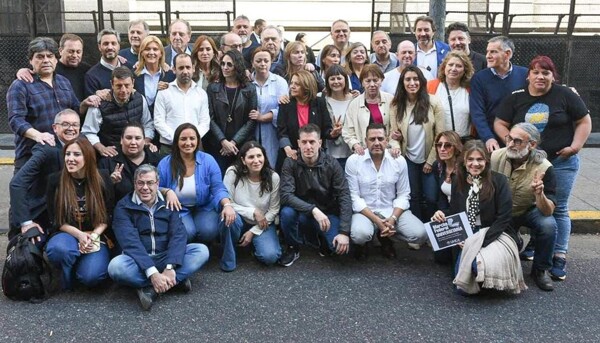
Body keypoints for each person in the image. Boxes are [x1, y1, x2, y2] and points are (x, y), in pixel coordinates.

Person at [494, 55, 592, 281]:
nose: (540, 76)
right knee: (530, 203)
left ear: (552, 76)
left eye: (546, 73)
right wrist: (512, 141)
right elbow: (500, 122)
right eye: (536, 72)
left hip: (560, 161)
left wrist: (575, 147)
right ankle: (536, 246)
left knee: (557, 207)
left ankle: (558, 256)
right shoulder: (516, 97)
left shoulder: (565, 95)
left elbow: (584, 121)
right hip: (526, 162)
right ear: (528, 75)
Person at [109, 164, 209, 311]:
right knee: (116, 267)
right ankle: (173, 281)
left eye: (150, 183)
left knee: (201, 250)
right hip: (138, 260)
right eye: (140, 183)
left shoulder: (169, 203)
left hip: (165, 257)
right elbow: (130, 243)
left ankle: (151, 288)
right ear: (134, 184)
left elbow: (178, 235)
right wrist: (152, 272)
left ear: (158, 183)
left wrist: (170, 266)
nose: (145, 187)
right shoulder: (123, 206)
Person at [431, 140, 526, 295]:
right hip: (468, 231)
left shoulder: (499, 181)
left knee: (476, 267)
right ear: (464, 161)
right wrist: (442, 214)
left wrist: (479, 242)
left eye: (479, 159)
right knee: (462, 288)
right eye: (470, 159)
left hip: (493, 232)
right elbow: (455, 211)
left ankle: (488, 276)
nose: (475, 164)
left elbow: (504, 217)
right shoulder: (458, 181)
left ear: (486, 161)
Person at [156, 124, 237, 271]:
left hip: (204, 206)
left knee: (209, 230)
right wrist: (167, 191)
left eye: (192, 138)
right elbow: (154, 188)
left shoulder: (208, 160)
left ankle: (209, 248)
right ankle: (184, 256)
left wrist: (227, 205)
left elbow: (217, 187)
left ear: (198, 140)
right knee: (187, 232)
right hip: (179, 209)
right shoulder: (166, 163)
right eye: (183, 139)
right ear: (176, 141)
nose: (188, 143)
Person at [490, 123, 558, 291]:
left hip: (527, 210)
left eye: (517, 141)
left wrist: (539, 194)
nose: (511, 144)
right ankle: (515, 239)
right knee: (506, 250)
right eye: (509, 138)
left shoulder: (545, 168)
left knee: (548, 225)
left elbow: (548, 211)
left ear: (532, 145)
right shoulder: (494, 157)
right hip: (501, 212)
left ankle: (540, 270)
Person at [346, 123, 427, 259]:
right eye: (372, 139)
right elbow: (354, 197)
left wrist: (393, 219)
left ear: (387, 140)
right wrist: (377, 220)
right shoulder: (354, 161)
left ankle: (386, 238)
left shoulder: (398, 161)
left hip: (391, 210)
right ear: (365, 141)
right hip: (365, 212)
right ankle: (364, 243)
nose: (377, 143)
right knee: (360, 235)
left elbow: (403, 194)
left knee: (419, 234)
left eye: (380, 138)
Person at [45, 137, 115, 290]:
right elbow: (55, 219)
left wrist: (92, 236)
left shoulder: (103, 178)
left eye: (76, 154)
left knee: (91, 276)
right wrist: (79, 236)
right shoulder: (55, 180)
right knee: (59, 250)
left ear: (88, 157)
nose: (70, 159)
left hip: (95, 235)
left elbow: (108, 216)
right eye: (67, 154)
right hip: (67, 234)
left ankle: (79, 264)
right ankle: (66, 269)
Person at [279, 124, 352, 266]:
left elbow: (344, 195)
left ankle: (320, 238)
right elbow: (286, 195)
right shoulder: (290, 163)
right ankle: (293, 247)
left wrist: (344, 232)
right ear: (298, 144)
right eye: (304, 142)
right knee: (287, 213)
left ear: (320, 143)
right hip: (302, 213)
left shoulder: (332, 163)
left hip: (327, 214)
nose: (308, 146)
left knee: (339, 248)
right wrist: (313, 210)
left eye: (312, 142)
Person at [7, 37, 82, 171]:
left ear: (56, 59)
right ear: (31, 60)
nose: (46, 60)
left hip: (62, 155)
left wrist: (88, 103)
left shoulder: (64, 82)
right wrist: (38, 136)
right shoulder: (20, 86)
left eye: (50, 56)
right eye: (40, 57)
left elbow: (76, 109)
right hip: (31, 156)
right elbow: (16, 120)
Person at [9, 109, 80, 242]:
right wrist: (26, 223)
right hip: (41, 215)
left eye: (75, 125)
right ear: (55, 128)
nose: (71, 129)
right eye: (65, 124)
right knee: (29, 253)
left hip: (70, 216)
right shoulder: (45, 149)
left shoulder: (82, 145)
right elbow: (17, 183)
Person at [389, 65, 445, 221]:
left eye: (415, 79)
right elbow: (393, 134)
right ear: (402, 82)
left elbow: (441, 137)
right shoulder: (396, 105)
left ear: (421, 82)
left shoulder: (433, 103)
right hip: (408, 159)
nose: (412, 83)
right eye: (408, 79)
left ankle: (432, 229)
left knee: (431, 197)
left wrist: (430, 161)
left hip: (430, 158)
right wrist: (394, 146)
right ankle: (418, 231)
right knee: (413, 196)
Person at [222, 141, 282, 268]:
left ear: (264, 158)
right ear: (243, 160)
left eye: (259, 156)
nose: (256, 160)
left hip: (263, 222)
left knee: (270, 257)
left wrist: (253, 232)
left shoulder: (273, 177)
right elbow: (227, 202)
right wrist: (253, 211)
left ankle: (252, 244)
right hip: (238, 219)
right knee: (229, 217)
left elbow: (274, 209)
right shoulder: (232, 172)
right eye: (251, 157)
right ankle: (229, 254)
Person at [469, 36, 528, 152]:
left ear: (508, 54)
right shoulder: (479, 79)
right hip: (492, 143)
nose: (487, 56)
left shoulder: (525, 75)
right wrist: (488, 138)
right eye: (487, 52)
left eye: (493, 52)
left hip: (521, 140)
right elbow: (477, 113)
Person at [82, 66, 155, 157]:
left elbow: (147, 124)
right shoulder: (99, 103)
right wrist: (101, 148)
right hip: (111, 154)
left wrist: (145, 141)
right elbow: (89, 131)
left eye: (127, 85)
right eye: (119, 86)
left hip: (136, 152)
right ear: (112, 84)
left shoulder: (140, 99)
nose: (123, 90)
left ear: (133, 83)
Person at [206, 49, 258, 174]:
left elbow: (251, 119)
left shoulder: (249, 88)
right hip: (218, 146)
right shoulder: (213, 88)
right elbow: (209, 118)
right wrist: (223, 141)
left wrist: (233, 142)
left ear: (238, 66)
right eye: (223, 64)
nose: (225, 67)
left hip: (241, 145)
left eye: (229, 64)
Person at [277, 70, 334, 170]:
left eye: (297, 84)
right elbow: (281, 131)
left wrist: (334, 133)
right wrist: (287, 148)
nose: (292, 86)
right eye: (291, 83)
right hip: (292, 155)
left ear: (307, 86)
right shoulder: (286, 104)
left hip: (315, 156)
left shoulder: (319, 103)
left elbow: (326, 130)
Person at [154, 53, 210, 155]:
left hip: (195, 147)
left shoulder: (201, 94)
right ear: (174, 69)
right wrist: (177, 139)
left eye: (188, 67)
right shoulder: (164, 92)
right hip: (169, 148)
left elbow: (205, 122)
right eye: (181, 68)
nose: (185, 71)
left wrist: (192, 139)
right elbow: (158, 121)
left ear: (193, 68)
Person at [16, 34, 92, 102]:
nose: (75, 55)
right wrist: (20, 71)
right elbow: (30, 72)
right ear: (60, 51)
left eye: (78, 52)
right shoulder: (49, 68)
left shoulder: (87, 70)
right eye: (71, 51)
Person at [99, 122, 161, 201]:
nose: (133, 142)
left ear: (144, 140)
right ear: (121, 140)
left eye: (138, 138)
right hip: (119, 210)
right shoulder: (107, 161)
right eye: (128, 138)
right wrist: (110, 182)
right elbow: (98, 194)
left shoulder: (156, 159)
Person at [343, 64, 393, 157]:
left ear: (381, 81)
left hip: (387, 152)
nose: (372, 84)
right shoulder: (354, 104)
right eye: (368, 81)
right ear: (362, 82)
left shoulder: (390, 100)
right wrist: (355, 145)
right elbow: (348, 131)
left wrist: (391, 145)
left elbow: (395, 128)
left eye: (375, 80)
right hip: (363, 153)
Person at [250, 47, 289, 168]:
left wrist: (263, 117)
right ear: (252, 63)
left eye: (266, 61)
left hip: (273, 132)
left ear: (271, 61)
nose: (262, 64)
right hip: (251, 131)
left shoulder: (280, 82)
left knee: (272, 166)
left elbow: (284, 110)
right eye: (258, 61)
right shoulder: (247, 83)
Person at [430, 130, 463, 264]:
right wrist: (441, 212)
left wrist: (447, 214)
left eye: (447, 145)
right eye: (439, 145)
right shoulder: (438, 166)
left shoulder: (464, 169)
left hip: (463, 214)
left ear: (456, 148)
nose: (442, 149)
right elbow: (441, 197)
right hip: (449, 212)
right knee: (441, 258)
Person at [426, 51, 474, 140]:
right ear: (444, 67)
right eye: (450, 65)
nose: (454, 68)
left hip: (464, 141)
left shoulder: (470, 90)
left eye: (459, 66)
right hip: (439, 143)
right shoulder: (430, 86)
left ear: (465, 70)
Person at [84, 28, 134, 98]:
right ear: (99, 47)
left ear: (119, 46)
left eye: (113, 43)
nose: (110, 47)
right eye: (106, 44)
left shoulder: (130, 68)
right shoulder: (92, 76)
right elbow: (92, 105)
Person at [133, 36, 176, 114]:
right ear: (142, 53)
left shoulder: (170, 75)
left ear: (161, 53)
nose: (151, 52)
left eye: (155, 49)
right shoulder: (134, 75)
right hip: (139, 121)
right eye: (147, 49)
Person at [323, 65, 353, 167]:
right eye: (332, 79)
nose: (336, 82)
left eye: (339, 78)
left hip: (351, 154)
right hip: (328, 156)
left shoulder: (355, 100)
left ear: (346, 80)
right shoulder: (321, 99)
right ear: (327, 82)